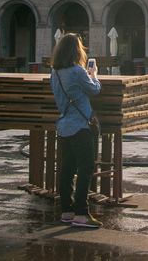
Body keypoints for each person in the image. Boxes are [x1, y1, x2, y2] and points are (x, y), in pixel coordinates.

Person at [50, 32, 102, 229]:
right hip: (81, 125)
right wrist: (94, 74)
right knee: (86, 168)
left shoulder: (54, 73)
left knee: (67, 169)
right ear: (76, 50)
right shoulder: (78, 71)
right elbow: (95, 90)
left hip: (63, 126)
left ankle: (67, 210)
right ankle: (81, 213)